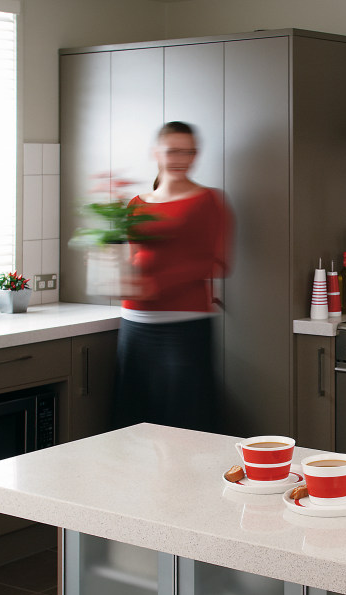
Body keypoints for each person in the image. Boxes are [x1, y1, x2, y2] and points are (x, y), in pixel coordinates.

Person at [111, 121, 232, 432]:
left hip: (183, 327)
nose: (181, 159)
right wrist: (106, 267)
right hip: (134, 325)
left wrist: (158, 284)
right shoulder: (136, 204)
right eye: (173, 151)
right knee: (133, 422)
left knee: (185, 424)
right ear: (156, 153)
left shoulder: (208, 201)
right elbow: (130, 260)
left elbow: (216, 262)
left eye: (189, 152)